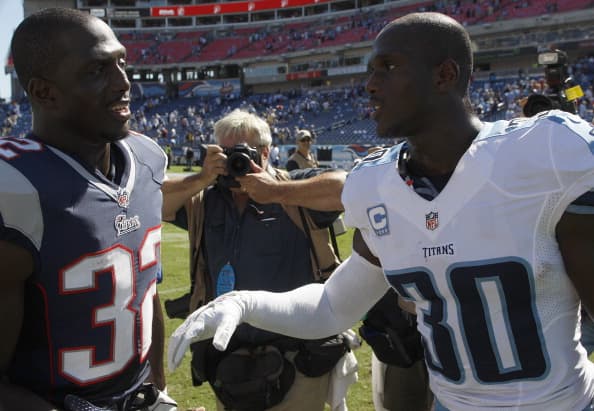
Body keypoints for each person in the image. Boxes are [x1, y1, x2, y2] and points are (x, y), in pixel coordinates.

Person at [168, 12, 594, 410]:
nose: (370, 84)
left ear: (445, 75)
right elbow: (332, 308)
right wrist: (244, 303)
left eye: (388, 67)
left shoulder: (544, 153)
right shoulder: (377, 185)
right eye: (371, 69)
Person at [0, 8, 182, 411]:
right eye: (97, 70)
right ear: (45, 92)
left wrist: (159, 395)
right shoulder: (14, 189)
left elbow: (145, 293)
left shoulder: (148, 158)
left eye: (121, 63)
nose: (124, 83)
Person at [162, 109, 356, 411]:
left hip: (296, 357)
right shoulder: (206, 200)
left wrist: (275, 191)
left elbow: (345, 188)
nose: (234, 164)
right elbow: (151, 201)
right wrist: (202, 177)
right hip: (230, 363)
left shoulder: (292, 187)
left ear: (265, 152)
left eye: (242, 152)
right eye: (226, 154)